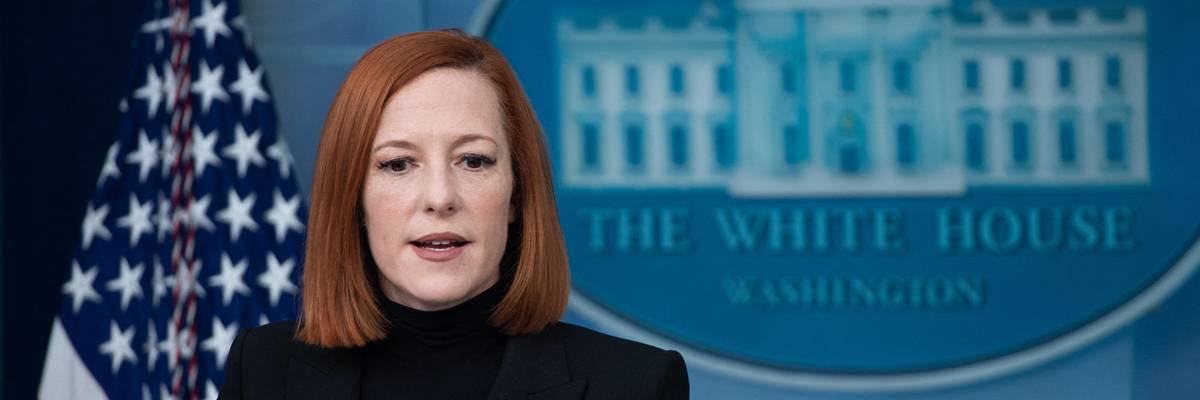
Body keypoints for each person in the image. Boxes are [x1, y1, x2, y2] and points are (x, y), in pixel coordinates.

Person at [218, 29, 689, 399]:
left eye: (474, 160)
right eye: (398, 164)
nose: (440, 197)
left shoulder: (636, 384)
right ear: (354, 200)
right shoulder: (262, 369)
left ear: (516, 195)